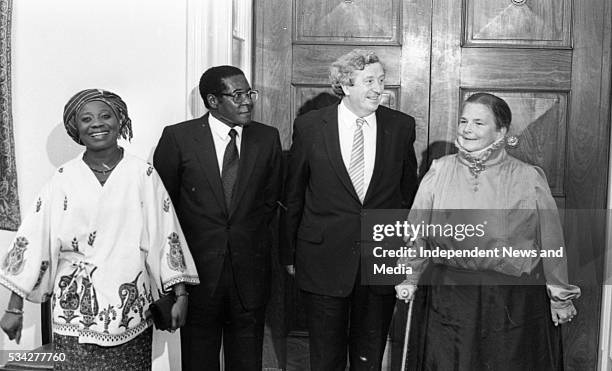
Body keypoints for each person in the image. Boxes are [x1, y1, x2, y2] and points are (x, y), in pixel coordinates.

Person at [0, 89, 200, 370]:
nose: (97, 123)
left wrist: (180, 295)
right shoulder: (63, 179)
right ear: (76, 129)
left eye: (106, 116)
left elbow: (167, 235)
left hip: (130, 314)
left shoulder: (142, 175)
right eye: (86, 119)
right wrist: (14, 307)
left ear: (120, 121)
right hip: (73, 317)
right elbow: (34, 239)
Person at [395, 92, 580, 370]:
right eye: (463, 121)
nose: (467, 129)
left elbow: (551, 242)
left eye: (479, 123)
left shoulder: (528, 178)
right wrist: (410, 276)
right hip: (450, 300)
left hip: (510, 303)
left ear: (501, 130)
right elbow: (416, 231)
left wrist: (560, 297)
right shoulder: (439, 171)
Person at [282, 49, 418, 370]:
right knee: (325, 358)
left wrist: (407, 254)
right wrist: (288, 254)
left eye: (381, 80)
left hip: (380, 262)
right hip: (323, 260)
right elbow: (294, 196)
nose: (378, 88)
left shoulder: (400, 126)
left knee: (369, 355)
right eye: (368, 80)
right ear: (344, 85)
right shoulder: (310, 126)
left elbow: (407, 197)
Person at [153, 65, 282, 370]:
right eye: (237, 95)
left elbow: (270, 201)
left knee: (248, 361)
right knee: (198, 361)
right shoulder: (178, 138)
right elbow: (163, 209)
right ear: (212, 100)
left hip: (249, 276)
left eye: (249, 93)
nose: (247, 101)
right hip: (197, 277)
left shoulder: (267, 138)